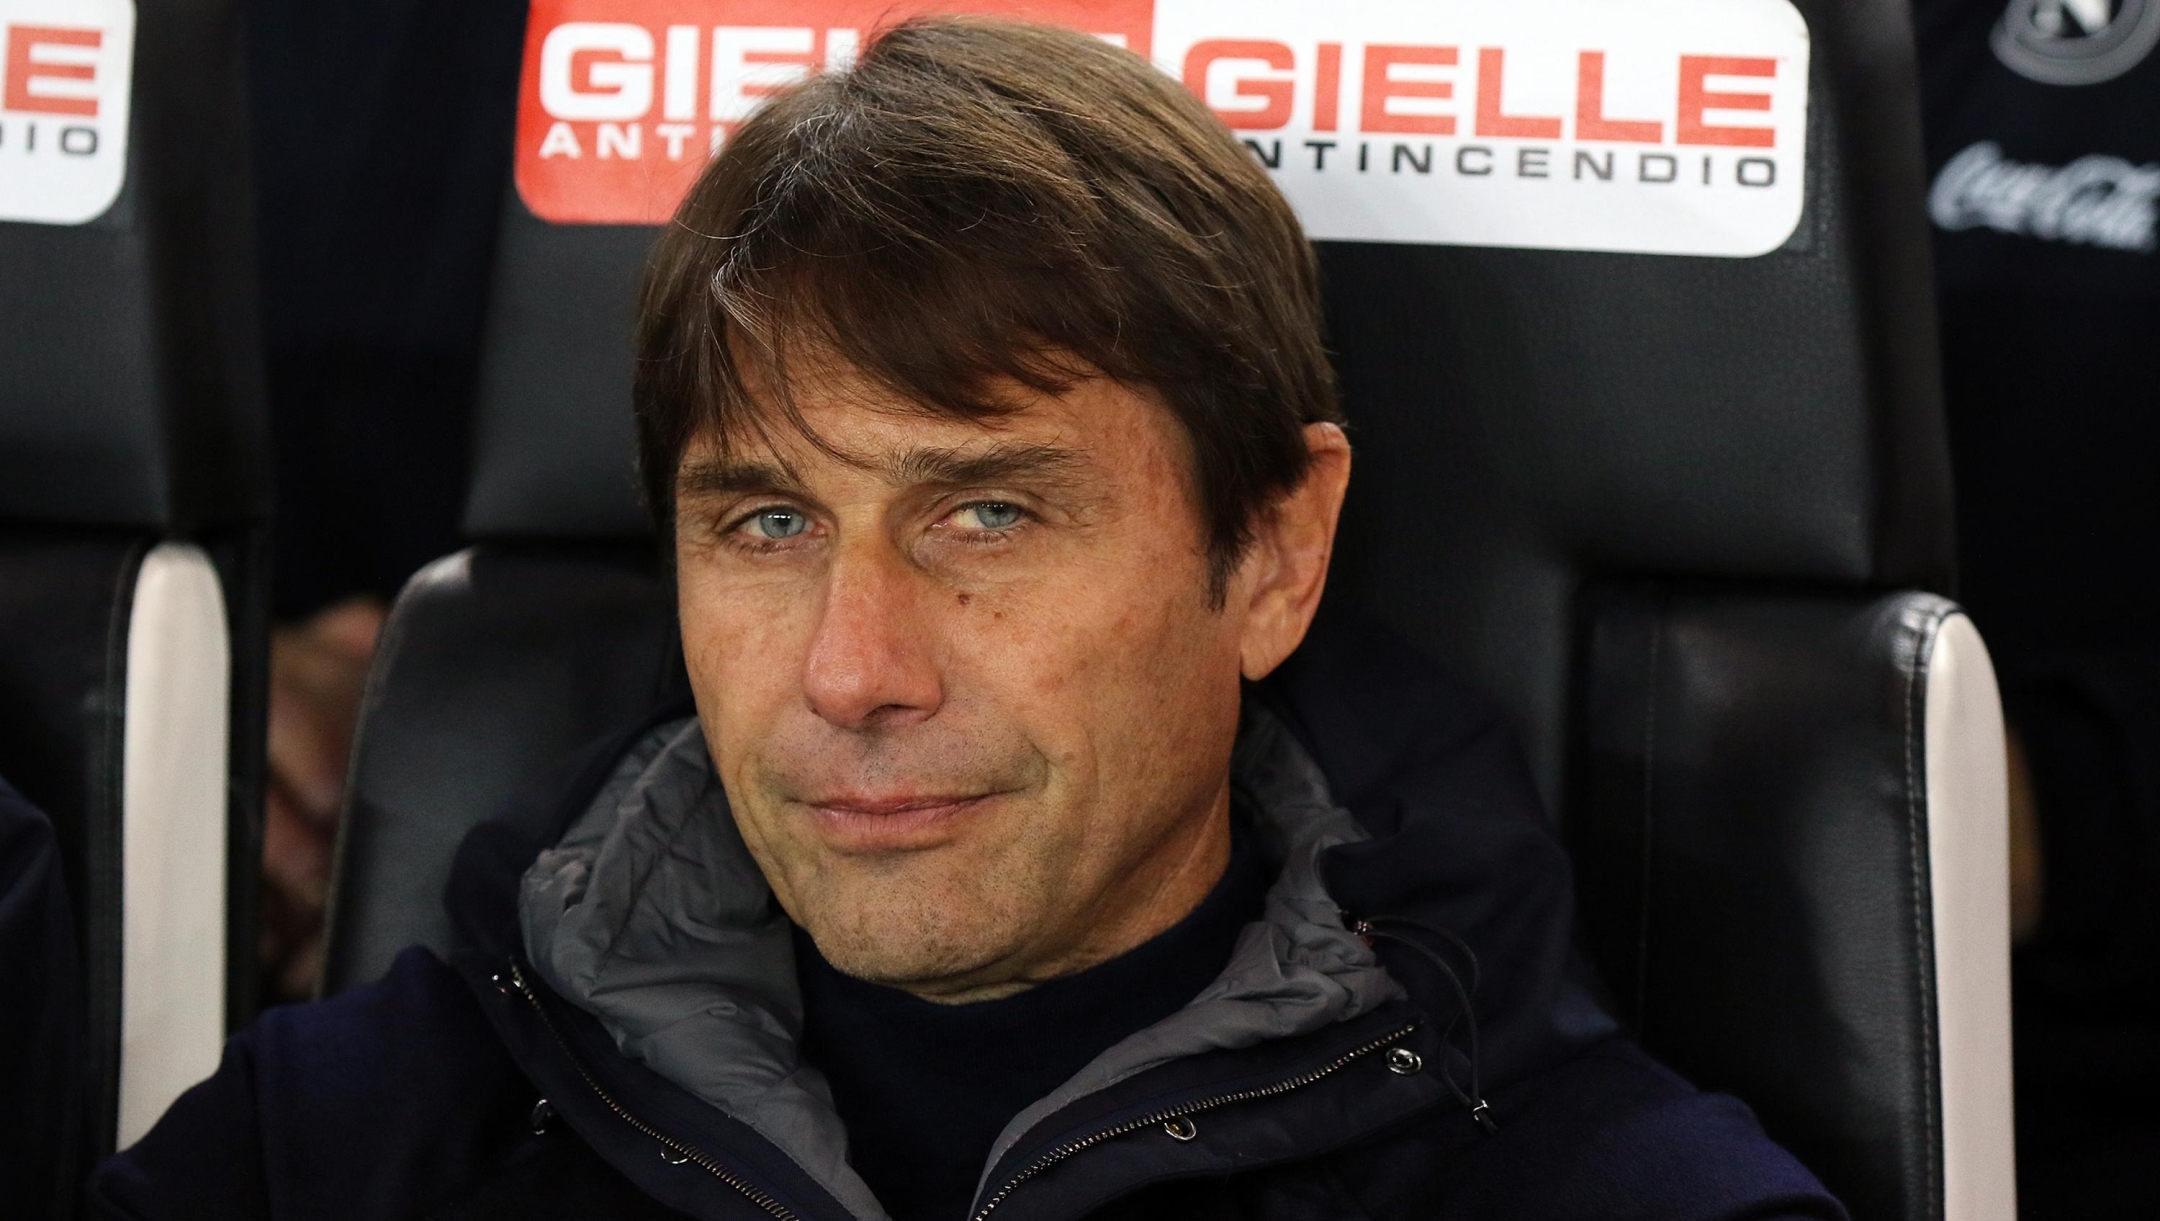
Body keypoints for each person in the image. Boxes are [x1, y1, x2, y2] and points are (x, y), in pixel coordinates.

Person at [87, 19, 1846, 1220]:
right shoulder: (328, 1145)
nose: (852, 670)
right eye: (768, 522)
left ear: (1274, 553)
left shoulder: (1616, 1195)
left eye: (986, 514)